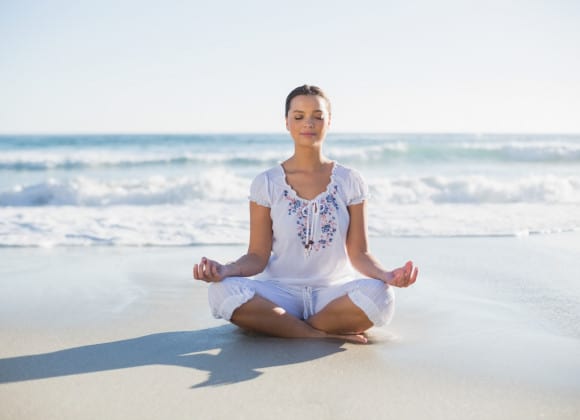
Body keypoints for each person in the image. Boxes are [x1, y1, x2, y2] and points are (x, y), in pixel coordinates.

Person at [193, 84, 418, 344]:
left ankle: (280, 325)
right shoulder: (266, 182)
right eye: (298, 116)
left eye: (317, 116)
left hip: (332, 294)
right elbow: (257, 256)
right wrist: (226, 269)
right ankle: (317, 334)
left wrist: (387, 275)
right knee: (221, 291)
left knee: (382, 296)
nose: (308, 123)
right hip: (279, 292)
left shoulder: (350, 181)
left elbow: (360, 253)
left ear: (329, 121)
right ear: (287, 122)